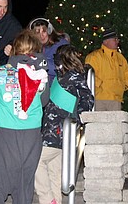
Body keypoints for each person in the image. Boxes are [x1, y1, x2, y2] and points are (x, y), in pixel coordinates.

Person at [0, 29, 50, 204]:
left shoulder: (1, 73)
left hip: (2, 134)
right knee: (24, 185)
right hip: (31, 136)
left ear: (15, 50)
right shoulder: (42, 76)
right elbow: (44, 101)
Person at [35, 45, 95, 204]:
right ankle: (55, 201)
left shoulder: (75, 77)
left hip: (59, 132)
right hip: (52, 130)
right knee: (55, 173)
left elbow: (87, 100)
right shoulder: (62, 77)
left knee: (35, 160)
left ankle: (48, 200)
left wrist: (76, 121)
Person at [84, 29, 128, 111]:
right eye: (115, 39)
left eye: (117, 39)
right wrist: (100, 85)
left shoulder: (121, 58)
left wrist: (124, 85)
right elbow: (88, 73)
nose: (117, 41)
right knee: (99, 122)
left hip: (116, 99)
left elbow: (127, 73)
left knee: (115, 123)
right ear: (106, 41)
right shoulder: (94, 57)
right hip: (99, 99)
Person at [27, 17, 69, 83]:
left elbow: (63, 69)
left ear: (49, 31)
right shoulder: (34, 47)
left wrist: (39, 61)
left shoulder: (61, 44)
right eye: (37, 32)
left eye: (44, 31)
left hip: (57, 87)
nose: (42, 35)